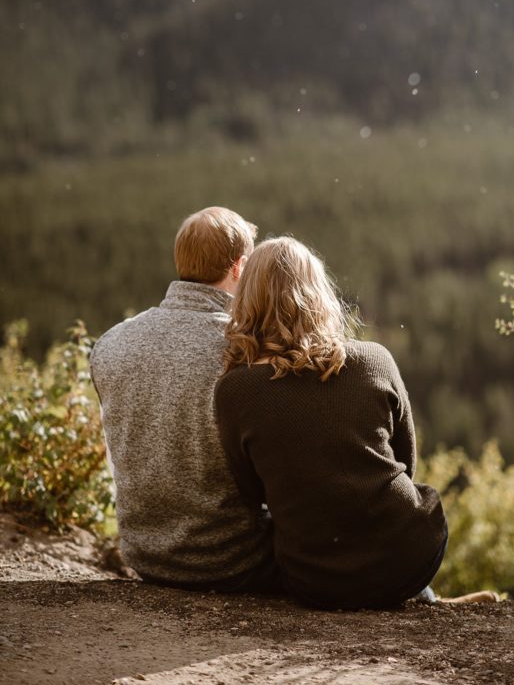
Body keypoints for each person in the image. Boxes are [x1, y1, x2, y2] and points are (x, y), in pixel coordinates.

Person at [214, 236, 449, 610]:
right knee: (417, 501)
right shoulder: (374, 359)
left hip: (315, 579)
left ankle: (425, 598)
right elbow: (406, 461)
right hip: (410, 554)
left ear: (247, 299)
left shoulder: (234, 391)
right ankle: (427, 598)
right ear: (319, 293)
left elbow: (251, 493)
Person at [90, 206, 276, 590]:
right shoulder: (248, 349)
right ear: (240, 268)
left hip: (146, 556)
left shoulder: (111, 342)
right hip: (233, 558)